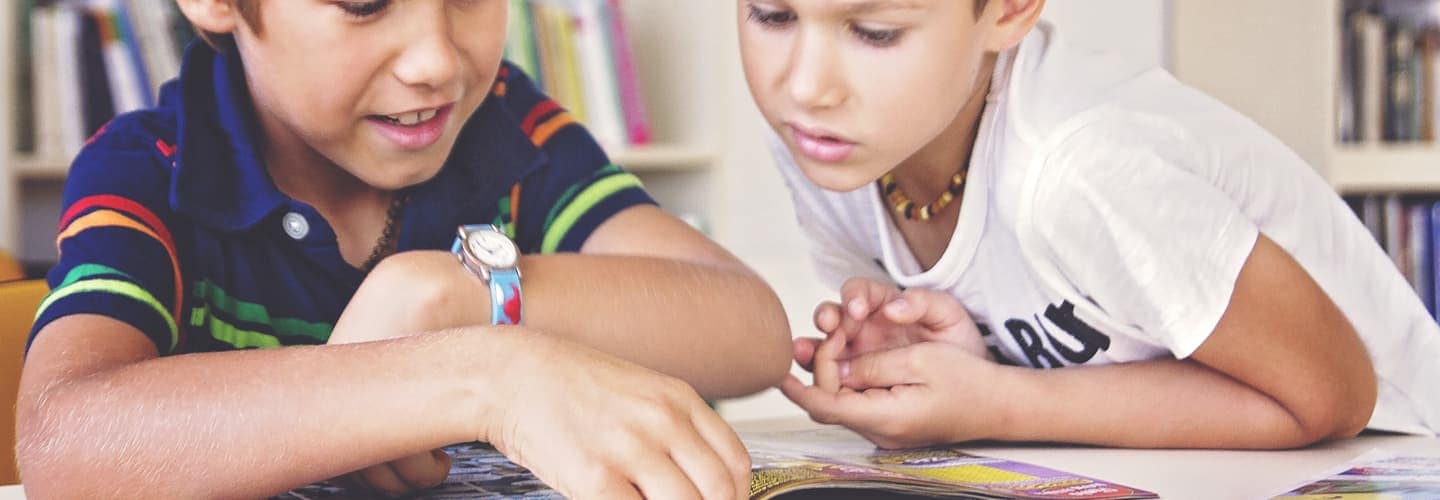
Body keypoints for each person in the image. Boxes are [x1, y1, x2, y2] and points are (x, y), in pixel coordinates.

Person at [17, 1, 792, 498]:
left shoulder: (508, 128)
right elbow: (62, 442)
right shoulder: (152, 169)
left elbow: (755, 331)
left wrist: (458, 292)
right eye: (364, 4)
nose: (437, 61)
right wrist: (479, 374)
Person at [737, 0, 1439, 449]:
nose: (804, 86)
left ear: (1008, 10)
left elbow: (1334, 397)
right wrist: (945, 368)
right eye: (771, 14)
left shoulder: (1077, 169)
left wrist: (998, 405)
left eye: (875, 31)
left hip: (1389, 453)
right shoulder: (826, 149)